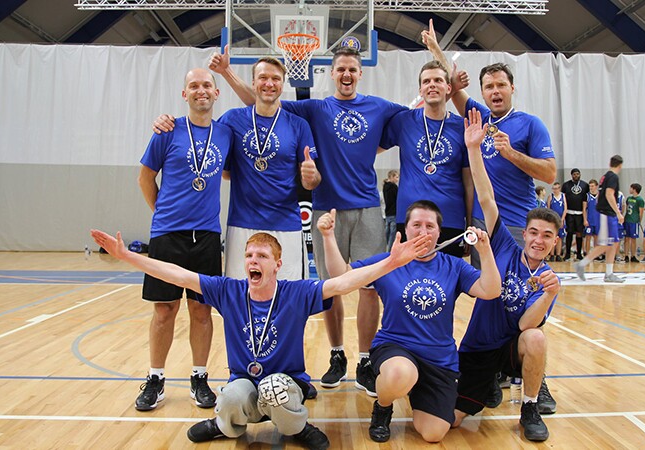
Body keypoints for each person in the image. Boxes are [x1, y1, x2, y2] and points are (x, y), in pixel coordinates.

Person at [90, 228, 431, 449]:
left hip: (286, 383)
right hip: (246, 381)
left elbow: (343, 284)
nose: (254, 261)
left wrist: (391, 262)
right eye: (249, 256)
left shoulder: (296, 293)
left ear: (277, 265)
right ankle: (226, 425)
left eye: (262, 257)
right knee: (231, 396)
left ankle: (296, 428)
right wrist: (127, 256)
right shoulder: (228, 291)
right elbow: (178, 275)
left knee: (277, 390)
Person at [205, 45, 410, 395]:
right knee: (329, 290)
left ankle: (363, 359)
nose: (346, 75)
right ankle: (336, 355)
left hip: (367, 207)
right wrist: (227, 74)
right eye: (341, 69)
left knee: (368, 288)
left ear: (360, 73)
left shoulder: (380, 107)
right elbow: (262, 99)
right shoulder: (313, 109)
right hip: (325, 208)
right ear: (331, 73)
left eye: (352, 70)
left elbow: (416, 118)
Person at [318, 202, 501, 443]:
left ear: (438, 232)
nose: (423, 231)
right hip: (396, 348)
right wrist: (328, 236)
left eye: (430, 226)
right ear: (406, 229)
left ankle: (417, 391)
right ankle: (383, 407)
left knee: (433, 433)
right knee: (400, 374)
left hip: (439, 358)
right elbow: (341, 275)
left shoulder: (453, 266)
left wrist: (485, 250)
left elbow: (491, 290)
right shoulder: (389, 262)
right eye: (416, 225)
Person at [153, 57, 321, 281]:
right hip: (241, 224)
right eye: (263, 78)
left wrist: (311, 177)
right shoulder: (232, 120)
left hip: (286, 225)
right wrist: (167, 121)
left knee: (288, 298)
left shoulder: (299, 125)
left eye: (275, 79)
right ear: (253, 83)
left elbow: (312, 181)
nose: (269, 84)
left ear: (283, 84)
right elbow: (209, 144)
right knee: (239, 298)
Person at [455, 108, 561, 442]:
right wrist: (474, 148)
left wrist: (548, 294)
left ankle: (528, 407)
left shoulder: (549, 280)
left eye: (546, 235)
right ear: (524, 233)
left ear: (555, 242)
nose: (538, 240)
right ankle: (487, 384)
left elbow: (526, 326)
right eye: (533, 233)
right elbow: (486, 197)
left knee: (537, 338)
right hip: (477, 350)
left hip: (509, 349)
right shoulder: (503, 244)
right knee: (449, 423)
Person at [134, 68, 232, 412]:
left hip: (206, 235)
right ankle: (156, 378)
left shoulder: (226, 134)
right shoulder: (167, 130)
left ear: (216, 94)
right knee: (164, 311)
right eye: (194, 85)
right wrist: (161, 212)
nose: (200, 90)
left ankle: (199, 377)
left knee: (201, 311)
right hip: (167, 235)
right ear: (184, 93)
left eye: (207, 85)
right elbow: (145, 177)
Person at [422, 19, 556, 248]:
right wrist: (436, 50)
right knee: (481, 284)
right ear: (483, 93)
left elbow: (550, 174)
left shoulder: (530, 124)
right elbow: (452, 88)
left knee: (514, 283)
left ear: (512, 88)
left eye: (501, 85)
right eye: (489, 87)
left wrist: (512, 153)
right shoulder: (479, 118)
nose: (496, 91)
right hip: (480, 222)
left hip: (516, 221)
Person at [380, 61, 474, 258]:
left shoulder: (462, 127)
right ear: (420, 89)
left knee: (446, 286)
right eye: (427, 81)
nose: (432, 85)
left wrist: (470, 224)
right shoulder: (404, 120)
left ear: (449, 88)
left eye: (438, 80)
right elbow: (371, 150)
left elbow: (469, 183)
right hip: (409, 220)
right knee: (407, 283)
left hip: (450, 220)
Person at [574, 155, 626, 283]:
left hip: (605, 213)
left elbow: (599, 196)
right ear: (620, 165)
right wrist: (618, 212)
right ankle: (582, 264)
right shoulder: (613, 177)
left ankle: (609, 273)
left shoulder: (605, 176)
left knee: (613, 243)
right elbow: (609, 194)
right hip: (606, 214)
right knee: (605, 244)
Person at [561, 168, 587, 261]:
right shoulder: (566, 185)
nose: (576, 176)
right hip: (569, 213)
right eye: (574, 174)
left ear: (580, 174)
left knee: (579, 233)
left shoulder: (585, 185)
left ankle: (579, 254)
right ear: (571, 175)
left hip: (580, 213)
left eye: (577, 174)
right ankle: (567, 254)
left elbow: (586, 201)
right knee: (569, 233)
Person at [624, 183, 645, 263]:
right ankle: (626, 255)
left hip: (634, 222)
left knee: (633, 239)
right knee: (626, 239)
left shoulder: (640, 200)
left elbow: (641, 212)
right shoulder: (628, 198)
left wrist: (639, 221)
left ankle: (633, 256)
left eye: (631, 188)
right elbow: (626, 209)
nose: (629, 190)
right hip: (627, 220)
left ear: (634, 189)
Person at [546, 182, 567, 262]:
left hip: (560, 220)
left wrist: (562, 220)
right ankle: (552, 255)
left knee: (560, 238)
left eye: (556, 188)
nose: (555, 190)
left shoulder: (563, 196)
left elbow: (565, 209)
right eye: (553, 189)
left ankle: (558, 255)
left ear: (559, 188)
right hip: (552, 220)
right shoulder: (550, 196)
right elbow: (548, 209)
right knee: (552, 237)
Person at [382, 170, 399, 252]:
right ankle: (390, 252)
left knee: (387, 235)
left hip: (387, 213)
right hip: (394, 213)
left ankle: (384, 251)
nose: (397, 179)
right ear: (391, 177)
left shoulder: (385, 187)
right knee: (392, 236)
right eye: (396, 177)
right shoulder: (394, 187)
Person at [583, 179, 600, 257]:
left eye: (592, 186)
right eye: (590, 186)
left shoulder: (600, 196)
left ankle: (595, 254)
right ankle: (587, 254)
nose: (591, 187)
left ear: (596, 186)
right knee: (588, 237)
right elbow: (584, 209)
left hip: (598, 220)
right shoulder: (587, 196)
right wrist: (585, 219)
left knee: (596, 238)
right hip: (590, 220)